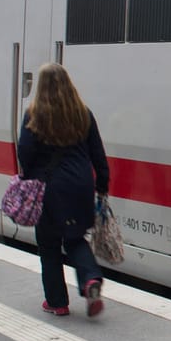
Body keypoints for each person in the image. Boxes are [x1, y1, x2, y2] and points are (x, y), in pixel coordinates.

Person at [17, 63, 110, 317]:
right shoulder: (84, 113)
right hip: (80, 185)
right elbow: (98, 154)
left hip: (48, 189)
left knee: (48, 244)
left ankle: (57, 302)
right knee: (75, 237)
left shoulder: (34, 114)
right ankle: (90, 279)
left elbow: (24, 152)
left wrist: (27, 179)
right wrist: (102, 185)